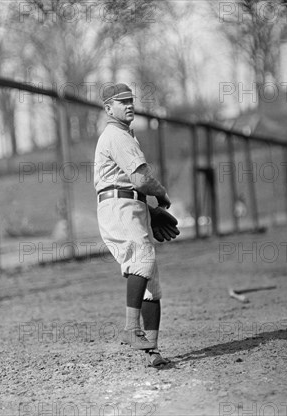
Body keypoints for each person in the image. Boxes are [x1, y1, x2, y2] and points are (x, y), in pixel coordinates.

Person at [93, 83, 171, 367]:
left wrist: (149, 208)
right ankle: (130, 328)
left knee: (151, 282)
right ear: (108, 108)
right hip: (119, 205)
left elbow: (133, 186)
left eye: (130, 100)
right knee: (142, 258)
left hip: (129, 204)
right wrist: (160, 194)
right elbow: (139, 180)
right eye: (121, 101)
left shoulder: (124, 135)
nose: (128, 105)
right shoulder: (116, 134)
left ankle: (151, 349)